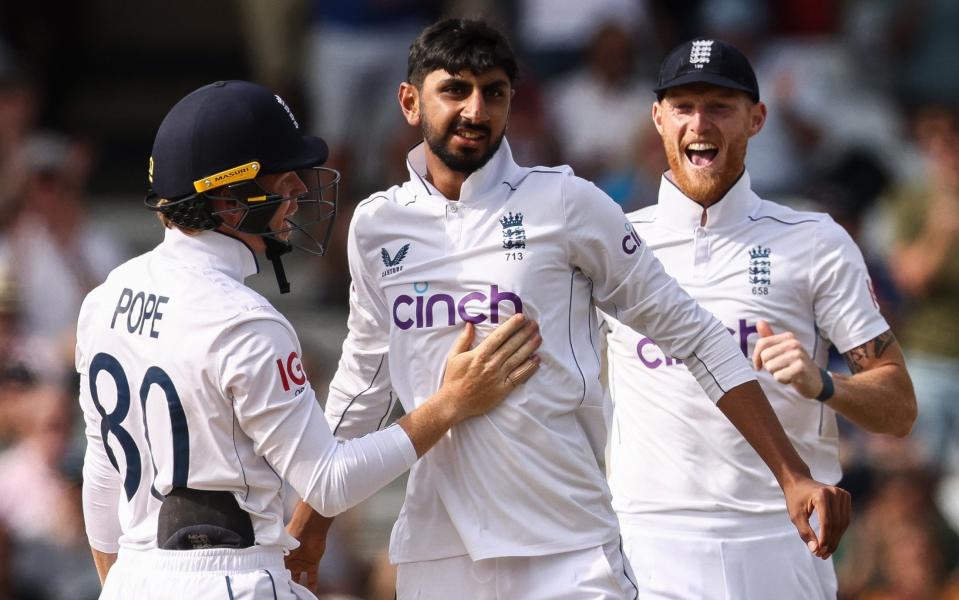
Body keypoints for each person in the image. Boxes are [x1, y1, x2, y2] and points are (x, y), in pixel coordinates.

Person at [298, 20, 850, 599]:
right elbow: (364, 387)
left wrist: (791, 474)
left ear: (513, 103)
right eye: (455, 90)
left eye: (494, 92)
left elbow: (698, 338)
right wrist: (312, 525)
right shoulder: (377, 224)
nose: (475, 110)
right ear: (410, 101)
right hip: (439, 547)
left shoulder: (566, 202)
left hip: (567, 548)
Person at [76, 80, 542, 600]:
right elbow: (328, 480)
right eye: (283, 177)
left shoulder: (105, 298)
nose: (298, 189)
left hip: (134, 579)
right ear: (228, 199)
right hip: (231, 578)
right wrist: (451, 404)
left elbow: (101, 483)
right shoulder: (245, 323)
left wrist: (120, 583)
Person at [601, 39, 916, 599]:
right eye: (684, 106)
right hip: (647, 540)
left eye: (720, 106)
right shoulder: (617, 242)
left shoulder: (815, 241)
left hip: (782, 535)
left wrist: (823, 383)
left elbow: (898, 409)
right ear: (658, 118)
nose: (700, 122)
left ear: (757, 118)